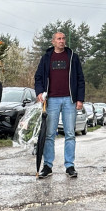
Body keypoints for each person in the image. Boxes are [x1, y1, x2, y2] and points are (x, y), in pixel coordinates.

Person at [34, 31, 85, 179]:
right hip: (52, 100)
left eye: (63, 39)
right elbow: (38, 77)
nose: (62, 41)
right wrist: (39, 92)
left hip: (70, 100)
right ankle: (48, 165)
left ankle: (69, 166)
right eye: (59, 39)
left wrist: (80, 99)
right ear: (53, 42)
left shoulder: (73, 57)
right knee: (49, 134)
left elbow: (80, 79)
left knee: (70, 134)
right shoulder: (46, 58)